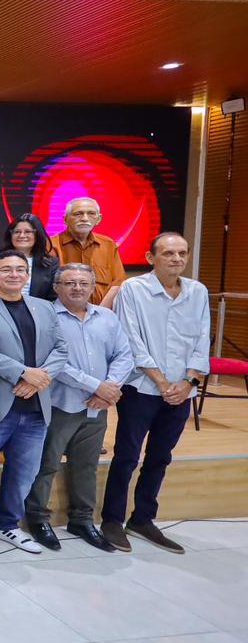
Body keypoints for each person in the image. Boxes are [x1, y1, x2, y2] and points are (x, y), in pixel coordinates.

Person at [102, 233, 209, 553]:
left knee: (161, 456)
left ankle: (143, 518)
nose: (176, 258)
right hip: (142, 388)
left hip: (182, 391)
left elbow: (202, 339)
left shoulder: (197, 292)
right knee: (127, 456)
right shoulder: (133, 289)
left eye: (182, 253)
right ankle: (112, 519)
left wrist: (189, 382)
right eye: (168, 253)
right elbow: (131, 339)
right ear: (151, 258)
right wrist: (162, 383)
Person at [0, 251, 68, 558]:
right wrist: (22, 372)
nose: (14, 274)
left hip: (36, 406)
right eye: (6, 269)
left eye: (20, 269)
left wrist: (38, 378)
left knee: (24, 472)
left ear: (27, 275)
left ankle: (6, 524)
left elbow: (61, 349)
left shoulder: (44, 307)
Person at [24, 264, 133, 554]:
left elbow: (124, 355)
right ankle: (37, 518)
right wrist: (97, 386)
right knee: (46, 464)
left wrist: (109, 388)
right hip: (59, 404)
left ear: (92, 287)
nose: (77, 288)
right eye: (69, 282)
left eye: (83, 283)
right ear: (56, 287)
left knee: (86, 465)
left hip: (98, 407)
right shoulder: (45, 316)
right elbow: (52, 362)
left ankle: (82, 519)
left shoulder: (107, 318)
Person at [52, 197, 127, 308]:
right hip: (61, 313)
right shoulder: (50, 245)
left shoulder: (108, 244)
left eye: (91, 213)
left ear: (98, 219)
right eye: (78, 214)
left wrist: (100, 312)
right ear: (65, 219)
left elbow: (118, 282)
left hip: (102, 312)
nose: (85, 218)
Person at [2, 214, 59, 301]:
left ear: (37, 235)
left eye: (28, 232)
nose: (22, 235)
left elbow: (53, 298)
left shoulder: (51, 263)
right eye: (17, 232)